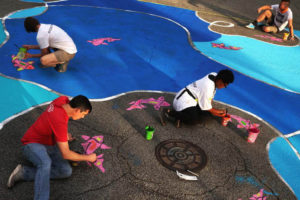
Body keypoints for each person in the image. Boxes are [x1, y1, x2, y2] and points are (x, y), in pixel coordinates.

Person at [7, 95, 96, 200]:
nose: (82, 117)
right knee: (45, 163)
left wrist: (63, 135)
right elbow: (66, 153)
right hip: (31, 144)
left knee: (65, 171)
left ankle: (23, 172)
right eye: (83, 114)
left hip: (49, 143)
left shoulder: (63, 100)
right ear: (77, 110)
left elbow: (52, 120)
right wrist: (88, 157)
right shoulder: (59, 120)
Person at [160, 69, 234, 128]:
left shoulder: (214, 75)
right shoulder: (208, 87)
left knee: (206, 115)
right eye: (225, 85)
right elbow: (208, 108)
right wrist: (219, 112)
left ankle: (180, 117)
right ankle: (169, 112)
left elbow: (210, 99)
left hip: (189, 99)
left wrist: (213, 110)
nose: (224, 87)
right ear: (220, 81)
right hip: (183, 101)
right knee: (194, 120)